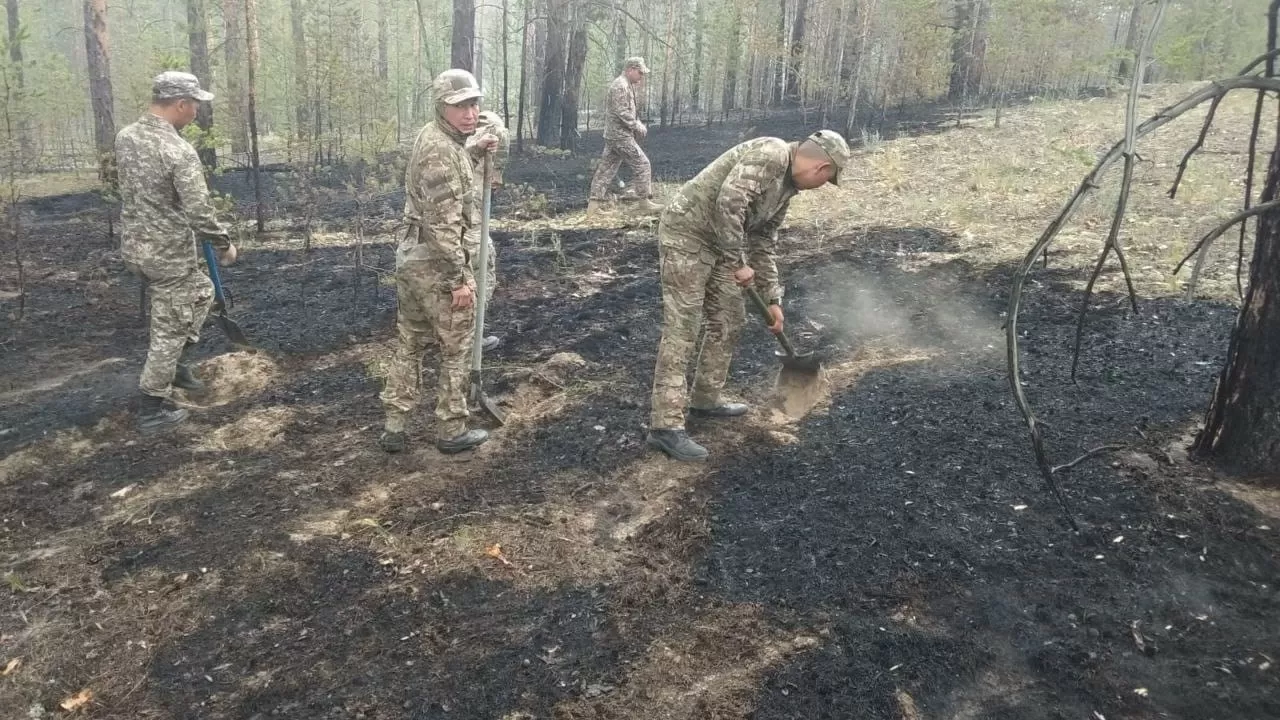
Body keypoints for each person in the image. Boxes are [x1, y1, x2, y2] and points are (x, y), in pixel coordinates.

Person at [646, 130, 851, 461]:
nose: (821, 186)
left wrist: (773, 300)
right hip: (687, 234)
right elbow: (729, 201)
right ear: (822, 168)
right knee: (683, 327)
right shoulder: (771, 153)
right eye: (827, 180)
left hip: (719, 245)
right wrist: (736, 262)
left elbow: (764, 241)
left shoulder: (787, 189)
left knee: (729, 318)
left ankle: (705, 399)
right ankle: (665, 428)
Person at [379, 69, 498, 455]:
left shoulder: (441, 140)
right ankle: (451, 427)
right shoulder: (440, 151)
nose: (470, 112)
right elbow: (444, 226)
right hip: (435, 263)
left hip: (413, 257)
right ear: (441, 107)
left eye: (473, 103)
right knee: (457, 347)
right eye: (460, 105)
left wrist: (476, 148)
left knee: (410, 343)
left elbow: (452, 173)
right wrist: (459, 279)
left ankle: (394, 425)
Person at [116, 71, 237, 434]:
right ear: (181, 104)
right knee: (171, 326)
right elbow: (199, 210)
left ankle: (177, 366)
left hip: (136, 247)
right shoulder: (178, 150)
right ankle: (153, 407)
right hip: (167, 252)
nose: (197, 111)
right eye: (195, 104)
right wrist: (223, 243)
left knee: (201, 292)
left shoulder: (126, 137)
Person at [587, 57, 662, 217]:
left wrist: (636, 122)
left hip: (614, 135)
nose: (641, 76)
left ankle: (593, 208)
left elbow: (626, 110)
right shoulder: (620, 86)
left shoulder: (624, 84)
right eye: (640, 72)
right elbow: (622, 112)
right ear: (630, 70)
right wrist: (637, 125)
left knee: (606, 170)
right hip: (620, 136)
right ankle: (644, 202)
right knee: (643, 164)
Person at [464, 110, 510, 351]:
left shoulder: (450, 141)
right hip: (468, 219)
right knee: (484, 268)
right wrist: (495, 174)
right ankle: (469, 337)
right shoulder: (492, 131)